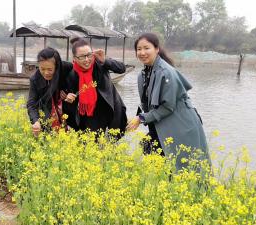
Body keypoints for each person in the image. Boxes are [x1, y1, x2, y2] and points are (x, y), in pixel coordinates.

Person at [127, 33, 210, 171]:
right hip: (163, 125)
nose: (142, 52)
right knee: (155, 161)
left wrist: (140, 118)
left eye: (146, 48)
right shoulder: (145, 73)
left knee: (188, 170)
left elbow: (167, 107)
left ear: (157, 49)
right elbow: (148, 104)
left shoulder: (166, 72)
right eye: (139, 49)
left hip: (181, 127)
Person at [63, 37, 127, 134]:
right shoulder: (72, 74)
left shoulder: (100, 62)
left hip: (111, 106)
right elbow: (71, 98)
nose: (87, 60)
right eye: (81, 57)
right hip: (91, 113)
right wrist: (69, 97)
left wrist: (105, 61)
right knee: (93, 143)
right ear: (74, 58)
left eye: (89, 55)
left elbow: (122, 68)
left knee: (114, 141)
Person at [26, 47, 73, 137]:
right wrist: (35, 121)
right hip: (47, 110)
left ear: (57, 66)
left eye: (50, 69)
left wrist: (70, 91)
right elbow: (31, 104)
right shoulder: (35, 79)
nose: (46, 73)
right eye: (42, 69)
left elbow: (77, 77)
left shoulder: (66, 67)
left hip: (66, 110)